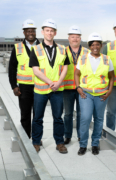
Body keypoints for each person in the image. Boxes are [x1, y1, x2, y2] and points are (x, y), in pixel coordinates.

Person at [29, 19, 70, 153]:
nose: (49, 33)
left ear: (55, 33)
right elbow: (36, 70)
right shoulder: (36, 49)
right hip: (41, 90)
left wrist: (58, 83)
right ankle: (36, 142)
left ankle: (59, 143)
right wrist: (50, 82)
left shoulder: (62, 49)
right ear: (42, 32)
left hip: (57, 90)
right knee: (37, 118)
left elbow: (65, 68)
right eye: (47, 30)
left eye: (52, 31)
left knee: (58, 117)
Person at [75, 32, 114, 155]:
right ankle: (83, 145)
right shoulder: (82, 58)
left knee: (98, 119)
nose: (95, 47)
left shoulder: (107, 59)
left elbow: (111, 77)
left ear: (101, 45)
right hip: (85, 94)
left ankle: (95, 144)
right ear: (89, 46)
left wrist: (109, 91)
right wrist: (78, 87)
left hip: (102, 95)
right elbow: (76, 73)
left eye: (97, 44)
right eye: (92, 45)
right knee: (85, 118)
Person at [8, 19, 40, 138]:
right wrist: (14, 86)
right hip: (24, 87)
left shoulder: (42, 47)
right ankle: (26, 138)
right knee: (25, 114)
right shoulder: (17, 48)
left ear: (35, 32)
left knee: (38, 115)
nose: (30, 33)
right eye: (28, 31)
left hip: (39, 86)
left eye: (32, 31)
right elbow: (12, 68)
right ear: (24, 32)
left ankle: (36, 139)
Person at [63, 25, 90, 144]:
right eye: (72, 37)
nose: (75, 39)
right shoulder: (63, 51)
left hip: (82, 88)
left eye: (77, 37)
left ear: (80, 38)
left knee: (81, 114)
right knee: (68, 114)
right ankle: (67, 135)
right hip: (67, 88)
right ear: (68, 38)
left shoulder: (87, 52)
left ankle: (80, 135)